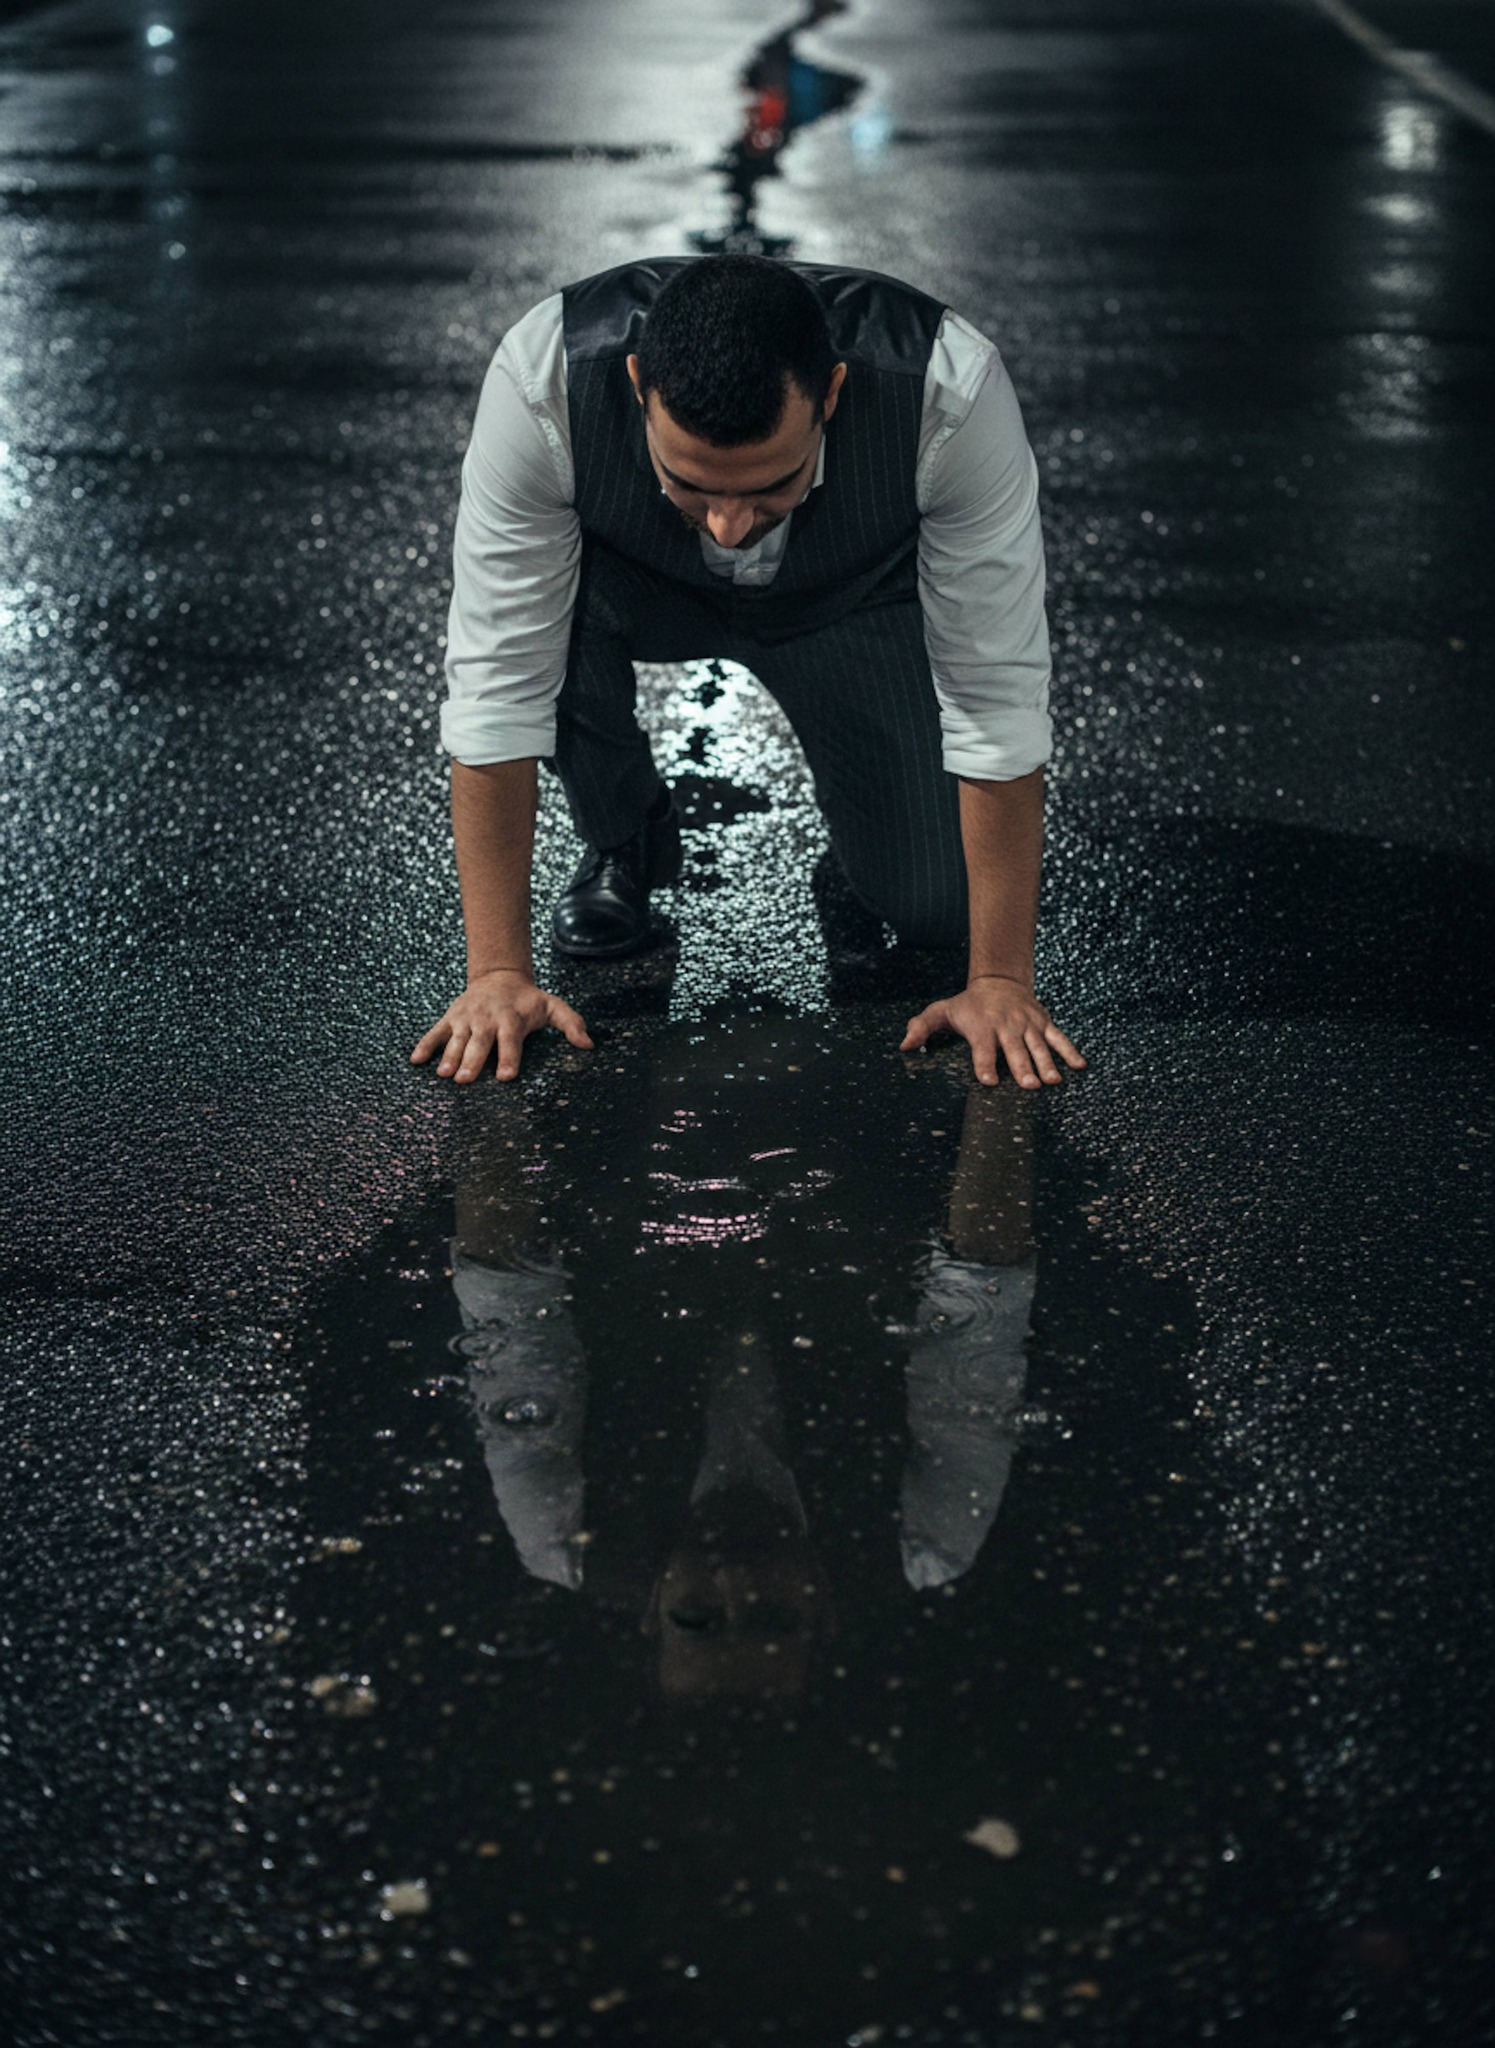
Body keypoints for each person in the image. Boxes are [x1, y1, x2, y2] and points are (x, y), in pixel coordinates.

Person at [411, 254, 1086, 1089]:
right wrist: (497, 977)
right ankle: (626, 834)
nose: (730, 528)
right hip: (633, 586)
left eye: (771, 488)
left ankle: (869, 833)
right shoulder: (541, 381)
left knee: (934, 909)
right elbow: (496, 685)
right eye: (691, 486)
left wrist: (998, 983)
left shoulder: (950, 393)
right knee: (543, 624)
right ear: (636, 388)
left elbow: (994, 694)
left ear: (830, 397)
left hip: (849, 602)